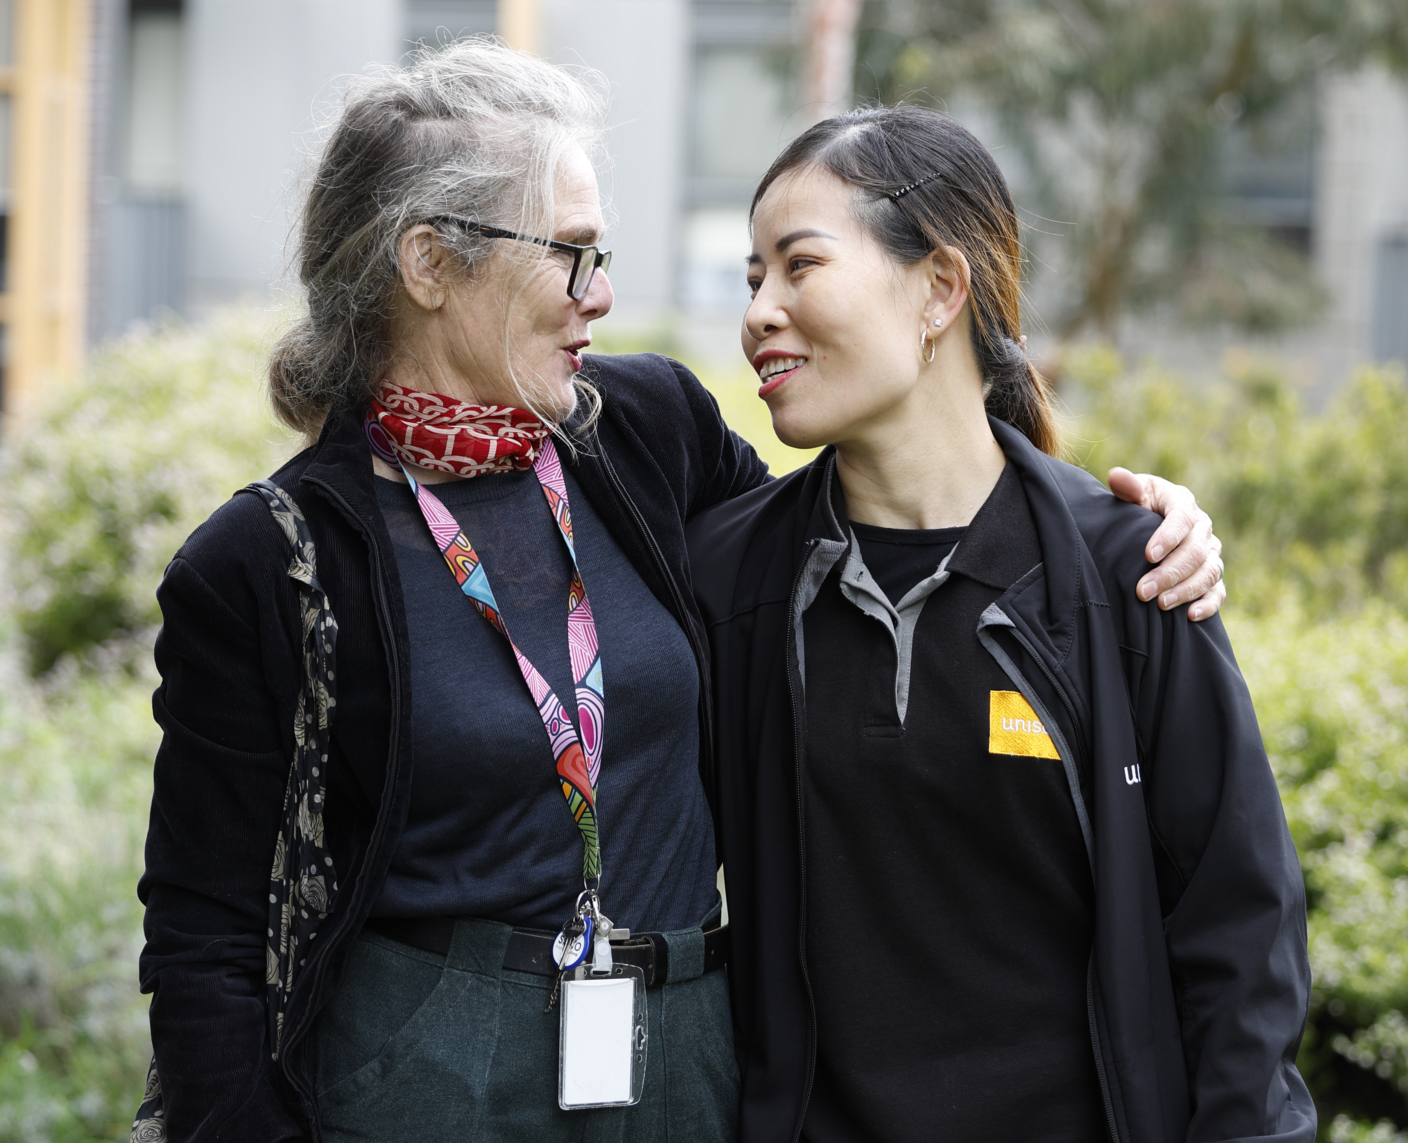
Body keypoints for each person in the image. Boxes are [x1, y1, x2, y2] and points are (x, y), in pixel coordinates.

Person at [134, 44, 1228, 1143]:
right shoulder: (266, 564)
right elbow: (203, 940)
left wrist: (1104, 524)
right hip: (431, 1082)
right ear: (429, 263)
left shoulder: (649, 433)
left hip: (686, 1063)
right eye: (571, 254)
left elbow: (863, 537)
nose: (602, 294)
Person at [689, 105, 1315, 1143]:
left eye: (799, 266)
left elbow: (1239, 932)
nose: (759, 312)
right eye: (755, 279)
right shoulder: (728, 581)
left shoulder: (1129, 576)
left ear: (940, 288)